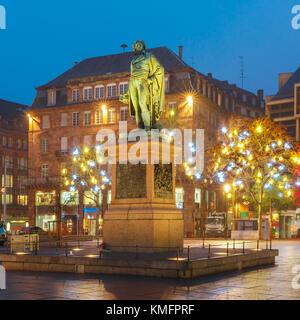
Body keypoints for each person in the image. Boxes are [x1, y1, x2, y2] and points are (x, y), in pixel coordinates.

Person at [120, 40, 165, 130]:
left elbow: (160, 69)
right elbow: (132, 74)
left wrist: (151, 79)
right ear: (134, 47)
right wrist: (127, 91)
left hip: (142, 81)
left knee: (142, 104)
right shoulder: (133, 60)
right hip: (132, 82)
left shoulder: (149, 56)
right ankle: (140, 127)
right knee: (136, 107)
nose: (138, 46)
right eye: (136, 45)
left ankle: (147, 127)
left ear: (143, 46)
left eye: (140, 44)